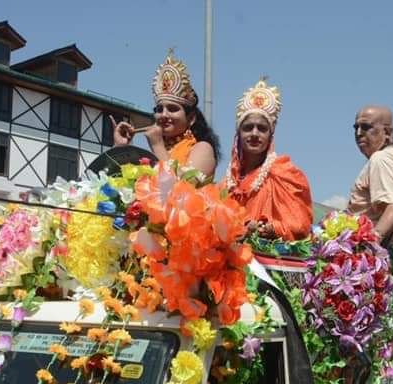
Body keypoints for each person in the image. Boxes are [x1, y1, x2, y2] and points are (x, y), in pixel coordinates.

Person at [218, 78, 313, 241]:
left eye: (262, 128)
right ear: (238, 134)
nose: (254, 134)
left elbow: (300, 225)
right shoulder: (226, 183)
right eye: (248, 128)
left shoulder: (286, 174)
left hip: (270, 262)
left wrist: (268, 229)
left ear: (270, 135)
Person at [112, 50, 220, 177]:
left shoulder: (202, 148)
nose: (163, 115)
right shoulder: (152, 153)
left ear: (191, 118)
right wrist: (121, 148)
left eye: (172, 109)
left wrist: (157, 145)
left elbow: (183, 188)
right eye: (159, 109)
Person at [347, 105, 393, 248]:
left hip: (380, 260)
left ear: (387, 132)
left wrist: (371, 245)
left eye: (366, 127)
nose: (359, 133)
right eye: (356, 127)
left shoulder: (381, 159)